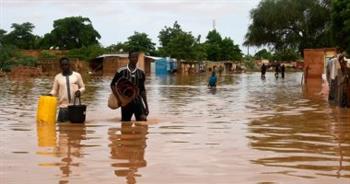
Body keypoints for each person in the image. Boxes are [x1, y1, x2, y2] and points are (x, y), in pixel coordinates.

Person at [110, 51, 149, 121]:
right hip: (125, 102)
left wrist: (146, 106)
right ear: (129, 58)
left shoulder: (141, 72)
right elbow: (112, 85)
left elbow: (142, 90)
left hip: (137, 101)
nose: (135, 59)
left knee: (143, 121)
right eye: (133, 57)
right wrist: (118, 99)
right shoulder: (121, 71)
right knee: (125, 123)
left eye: (136, 57)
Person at [49, 57, 85, 122]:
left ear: (69, 65)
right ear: (60, 66)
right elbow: (54, 90)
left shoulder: (77, 75)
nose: (64, 66)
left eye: (66, 64)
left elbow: (83, 87)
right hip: (63, 107)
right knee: (62, 128)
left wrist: (79, 91)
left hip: (75, 107)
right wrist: (50, 94)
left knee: (76, 129)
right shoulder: (57, 77)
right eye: (62, 65)